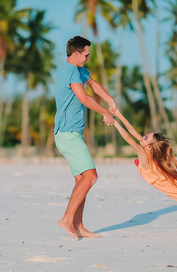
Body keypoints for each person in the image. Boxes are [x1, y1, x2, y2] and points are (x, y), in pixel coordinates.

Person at [54, 36, 117, 239]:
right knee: (91, 176)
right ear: (76, 53)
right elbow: (84, 97)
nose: (88, 58)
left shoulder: (78, 70)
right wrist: (104, 113)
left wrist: (110, 100)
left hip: (72, 134)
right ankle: (66, 219)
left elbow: (93, 84)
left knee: (82, 179)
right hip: (67, 134)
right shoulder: (70, 70)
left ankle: (78, 226)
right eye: (86, 55)